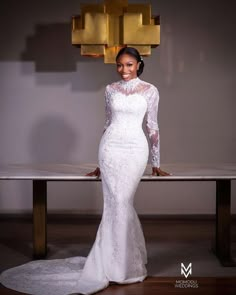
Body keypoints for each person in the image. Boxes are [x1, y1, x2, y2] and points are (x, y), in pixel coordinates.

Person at [0, 47, 169, 295]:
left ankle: (125, 264)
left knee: (122, 202)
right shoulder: (110, 90)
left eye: (129, 65)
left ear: (139, 64)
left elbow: (153, 128)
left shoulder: (150, 90)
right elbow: (107, 124)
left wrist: (156, 162)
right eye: (120, 65)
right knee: (114, 205)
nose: (124, 70)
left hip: (135, 150)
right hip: (110, 149)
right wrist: (101, 162)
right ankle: (117, 265)